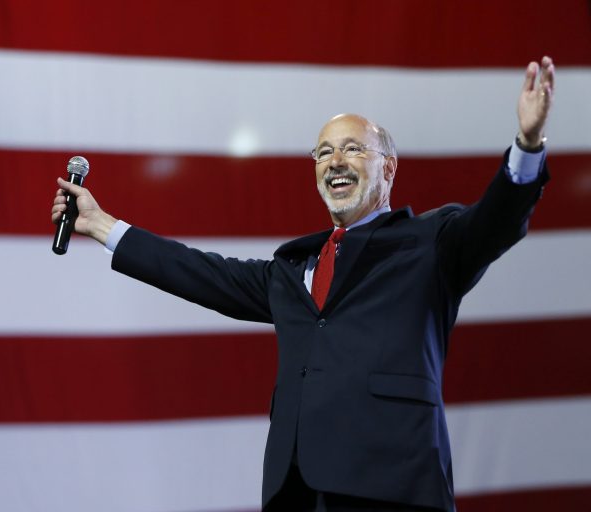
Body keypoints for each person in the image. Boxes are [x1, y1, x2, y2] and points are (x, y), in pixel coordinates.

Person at [51, 57, 555, 511]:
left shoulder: (431, 244)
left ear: (389, 168)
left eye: (353, 148)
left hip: (392, 484)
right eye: (323, 152)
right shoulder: (293, 269)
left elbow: (498, 220)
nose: (335, 161)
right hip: (296, 490)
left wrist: (527, 146)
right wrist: (102, 226)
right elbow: (202, 273)